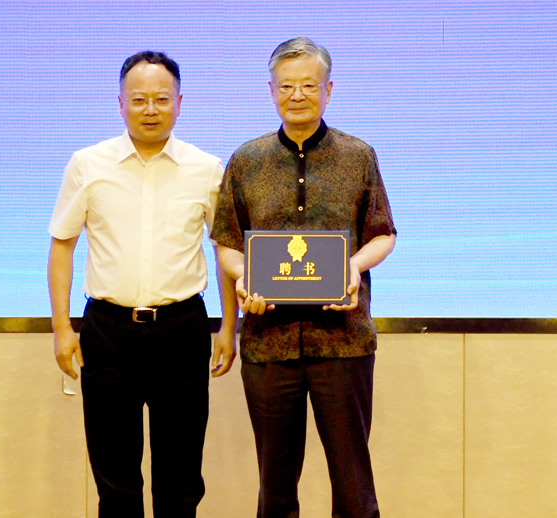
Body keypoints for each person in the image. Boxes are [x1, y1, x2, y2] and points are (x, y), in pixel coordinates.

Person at [47, 50, 238, 518]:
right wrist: (62, 329)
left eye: (161, 99)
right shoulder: (87, 164)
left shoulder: (206, 169)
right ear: (120, 104)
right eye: (138, 99)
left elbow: (225, 251)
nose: (150, 109)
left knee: (181, 479)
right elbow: (62, 246)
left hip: (182, 331)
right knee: (115, 481)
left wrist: (228, 329)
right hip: (108, 333)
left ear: (179, 102)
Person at [212, 38, 397, 518]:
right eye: (287, 86)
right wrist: (246, 276)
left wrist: (353, 266)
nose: (298, 95)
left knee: (354, 488)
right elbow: (227, 242)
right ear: (271, 91)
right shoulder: (247, 160)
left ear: (328, 90)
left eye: (309, 86)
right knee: (274, 489)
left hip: (343, 341)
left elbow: (382, 234)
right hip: (268, 342)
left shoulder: (358, 155)